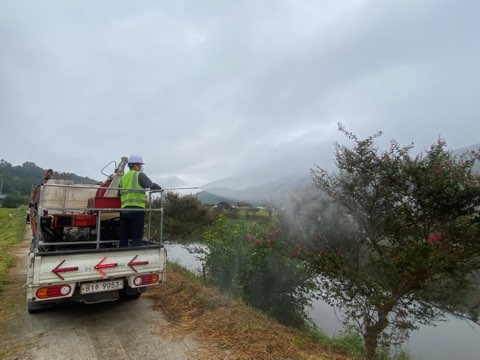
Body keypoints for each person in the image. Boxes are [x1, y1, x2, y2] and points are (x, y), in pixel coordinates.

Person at [119, 154, 161, 247]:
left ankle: (122, 253)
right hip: (136, 210)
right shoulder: (139, 175)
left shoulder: (122, 178)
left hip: (124, 211)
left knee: (124, 236)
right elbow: (151, 185)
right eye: (140, 164)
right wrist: (161, 189)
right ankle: (135, 255)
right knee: (137, 236)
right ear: (135, 165)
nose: (141, 167)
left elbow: (119, 194)